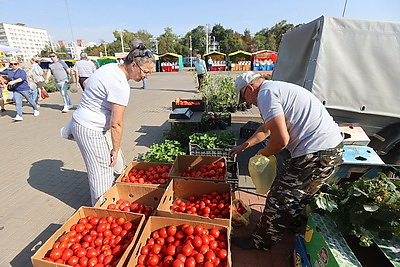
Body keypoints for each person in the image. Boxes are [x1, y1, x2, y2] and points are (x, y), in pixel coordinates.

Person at [230, 71, 344, 250]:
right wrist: (243, 146)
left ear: (250, 88)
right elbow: (267, 129)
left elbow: (281, 141)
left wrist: (263, 153)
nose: (247, 102)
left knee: (280, 198)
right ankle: (292, 227)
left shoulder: (266, 95)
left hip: (316, 154)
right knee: (297, 195)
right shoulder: (275, 89)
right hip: (326, 150)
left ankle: (261, 242)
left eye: (244, 97)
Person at [70, 39, 155, 206]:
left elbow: (87, 84)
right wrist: (115, 149)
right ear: (133, 66)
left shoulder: (109, 68)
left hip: (82, 120)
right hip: (90, 128)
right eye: (146, 71)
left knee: (104, 168)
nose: (147, 76)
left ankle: (104, 206)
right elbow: (117, 123)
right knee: (103, 172)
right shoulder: (120, 85)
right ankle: (101, 209)